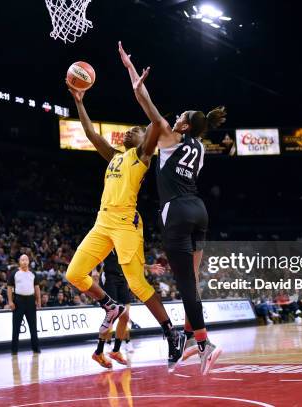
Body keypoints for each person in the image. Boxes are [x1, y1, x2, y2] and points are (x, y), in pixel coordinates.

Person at [118, 41, 226, 375]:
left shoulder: (170, 135)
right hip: (200, 211)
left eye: (179, 117)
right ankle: (193, 340)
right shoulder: (201, 148)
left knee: (187, 287)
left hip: (178, 212)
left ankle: (205, 344)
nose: (174, 118)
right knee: (193, 280)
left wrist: (133, 74)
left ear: (184, 126)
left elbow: (145, 102)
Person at [65, 77, 187, 370]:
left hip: (125, 224)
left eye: (135, 129)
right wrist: (79, 102)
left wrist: (140, 90)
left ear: (143, 140)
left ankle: (172, 333)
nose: (130, 130)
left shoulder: (142, 157)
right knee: (74, 274)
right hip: (103, 222)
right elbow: (91, 134)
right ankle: (109, 305)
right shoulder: (114, 157)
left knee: (137, 283)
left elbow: (155, 125)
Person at [7, 254, 41, 354]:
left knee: (33, 326)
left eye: (26, 260)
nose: (24, 262)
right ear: (19, 262)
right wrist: (10, 301)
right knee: (16, 326)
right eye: (22, 260)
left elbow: (37, 287)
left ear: (29, 261)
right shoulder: (14, 273)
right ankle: (14, 350)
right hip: (18, 301)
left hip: (30, 301)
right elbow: (9, 287)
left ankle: (36, 348)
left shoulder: (33, 273)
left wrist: (38, 300)